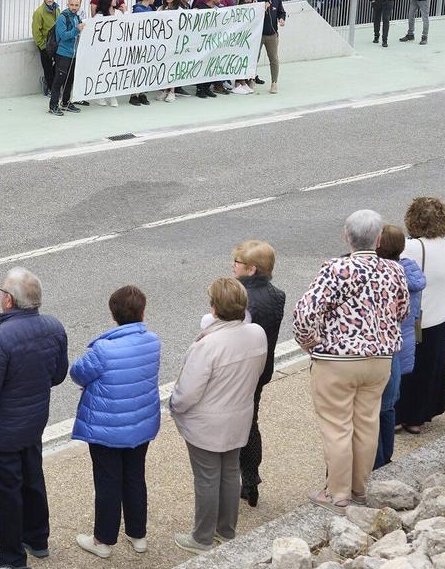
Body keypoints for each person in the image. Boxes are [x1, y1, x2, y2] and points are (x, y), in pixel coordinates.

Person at [292, 210, 407, 509]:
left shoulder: (335, 269)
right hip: (380, 357)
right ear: (379, 239)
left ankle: (337, 494)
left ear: (347, 236)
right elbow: (402, 311)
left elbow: (305, 313)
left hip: (338, 359)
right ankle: (359, 488)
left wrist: (310, 343)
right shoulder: (394, 270)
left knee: (337, 426)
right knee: (367, 423)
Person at [0, 267, 68, 569]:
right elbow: (58, 374)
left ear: (8, 300)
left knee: (4, 494)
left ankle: (10, 556)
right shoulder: (54, 327)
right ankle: (37, 538)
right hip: (33, 423)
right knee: (33, 479)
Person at [168, 276, 265, 550]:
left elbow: (187, 393)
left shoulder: (208, 345)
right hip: (239, 416)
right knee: (230, 473)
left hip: (207, 423)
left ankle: (201, 537)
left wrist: (174, 405)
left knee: (207, 478)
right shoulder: (256, 333)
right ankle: (226, 530)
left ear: (214, 308)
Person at [69, 285, 161, 558]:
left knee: (108, 482)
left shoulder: (104, 349)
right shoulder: (153, 341)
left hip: (107, 426)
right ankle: (137, 534)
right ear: (142, 313)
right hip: (141, 421)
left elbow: (77, 372)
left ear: (114, 315)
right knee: (135, 477)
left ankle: (103, 540)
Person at [231, 240, 284, 503]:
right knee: (252, 421)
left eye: (237, 263)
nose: (233, 267)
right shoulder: (277, 295)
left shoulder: (242, 300)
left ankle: (246, 479)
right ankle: (251, 478)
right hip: (262, 369)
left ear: (251, 269)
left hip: (241, 373)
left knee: (239, 425)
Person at [397, 197, 445, 435]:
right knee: (432, 366)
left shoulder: (412, 248)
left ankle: (405, 415)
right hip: (442, 312)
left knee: (410, 370)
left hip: (419, 318)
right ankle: (423, 413)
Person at [375, 224, 425, 470]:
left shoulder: (385, 276)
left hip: (387, 349)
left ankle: (377, 461)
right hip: (404, 345)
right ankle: (387, 458)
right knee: (389, 407)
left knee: (376, 409)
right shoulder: (411, 271)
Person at [48, 0, 83, 115]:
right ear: (68, 4)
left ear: (79, 5)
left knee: (70, 80)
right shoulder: (63, 18)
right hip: (63, 55)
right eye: (72, 5)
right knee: (59, 80)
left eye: (76, 5)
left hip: (73, 54)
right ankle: (53, 106)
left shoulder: (77, 17)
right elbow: (63, 35)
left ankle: (66, 103)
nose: (74, 7)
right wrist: (76, 30)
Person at [257, 0, 286, 94]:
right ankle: (249, 80)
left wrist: (282, 18)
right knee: (254, 58)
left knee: (274, 59)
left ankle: (274, 83)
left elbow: (281, 12)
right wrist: (262, 8)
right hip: (257, 35)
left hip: (272, 34)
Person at [30, 0, 60, 97]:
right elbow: (35, 31)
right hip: (45, 45)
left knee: (57, 66)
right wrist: (42, 46)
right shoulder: (39, 12)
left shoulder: (57, 9)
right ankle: (51, 89)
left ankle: (51, 85)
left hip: (55, 43)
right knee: (47, 68)